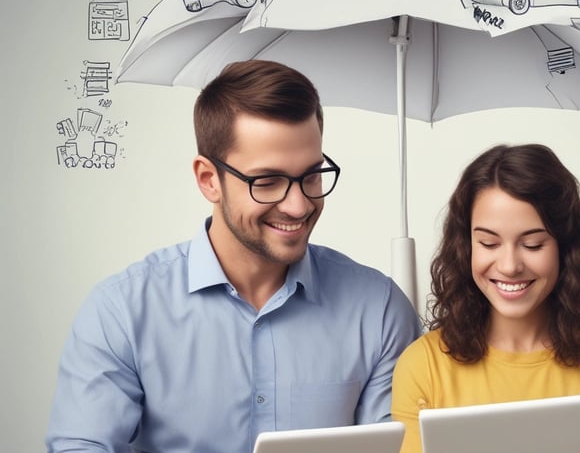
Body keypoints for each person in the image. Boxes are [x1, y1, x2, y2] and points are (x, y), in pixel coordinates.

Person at [46, 60, 423, 453]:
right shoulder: (120, 312)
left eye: (311, 175)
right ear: (209, 179)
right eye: (268, 181)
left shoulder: (380, 309)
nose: (298, 205)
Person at [392, 144, 580, 453]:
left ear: (566, 247)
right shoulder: (423, 366)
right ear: (466, 246)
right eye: (489, 243)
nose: (509, 266)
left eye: (532, 245)